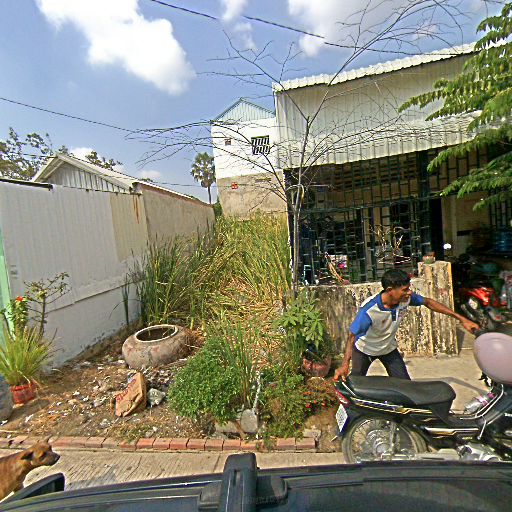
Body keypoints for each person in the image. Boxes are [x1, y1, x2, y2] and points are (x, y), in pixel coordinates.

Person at [333, 269, 479, 381]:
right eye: (405, 290)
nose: (409, 292)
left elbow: (428, 302)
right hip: (365, 351)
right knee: (355, 384)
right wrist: (345, 364)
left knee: (405, 386)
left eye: (409, 288)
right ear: (390, 290)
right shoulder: (370, 310)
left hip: (388, 349)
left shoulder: (405, 299)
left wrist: (462, 319)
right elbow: (352, 336)